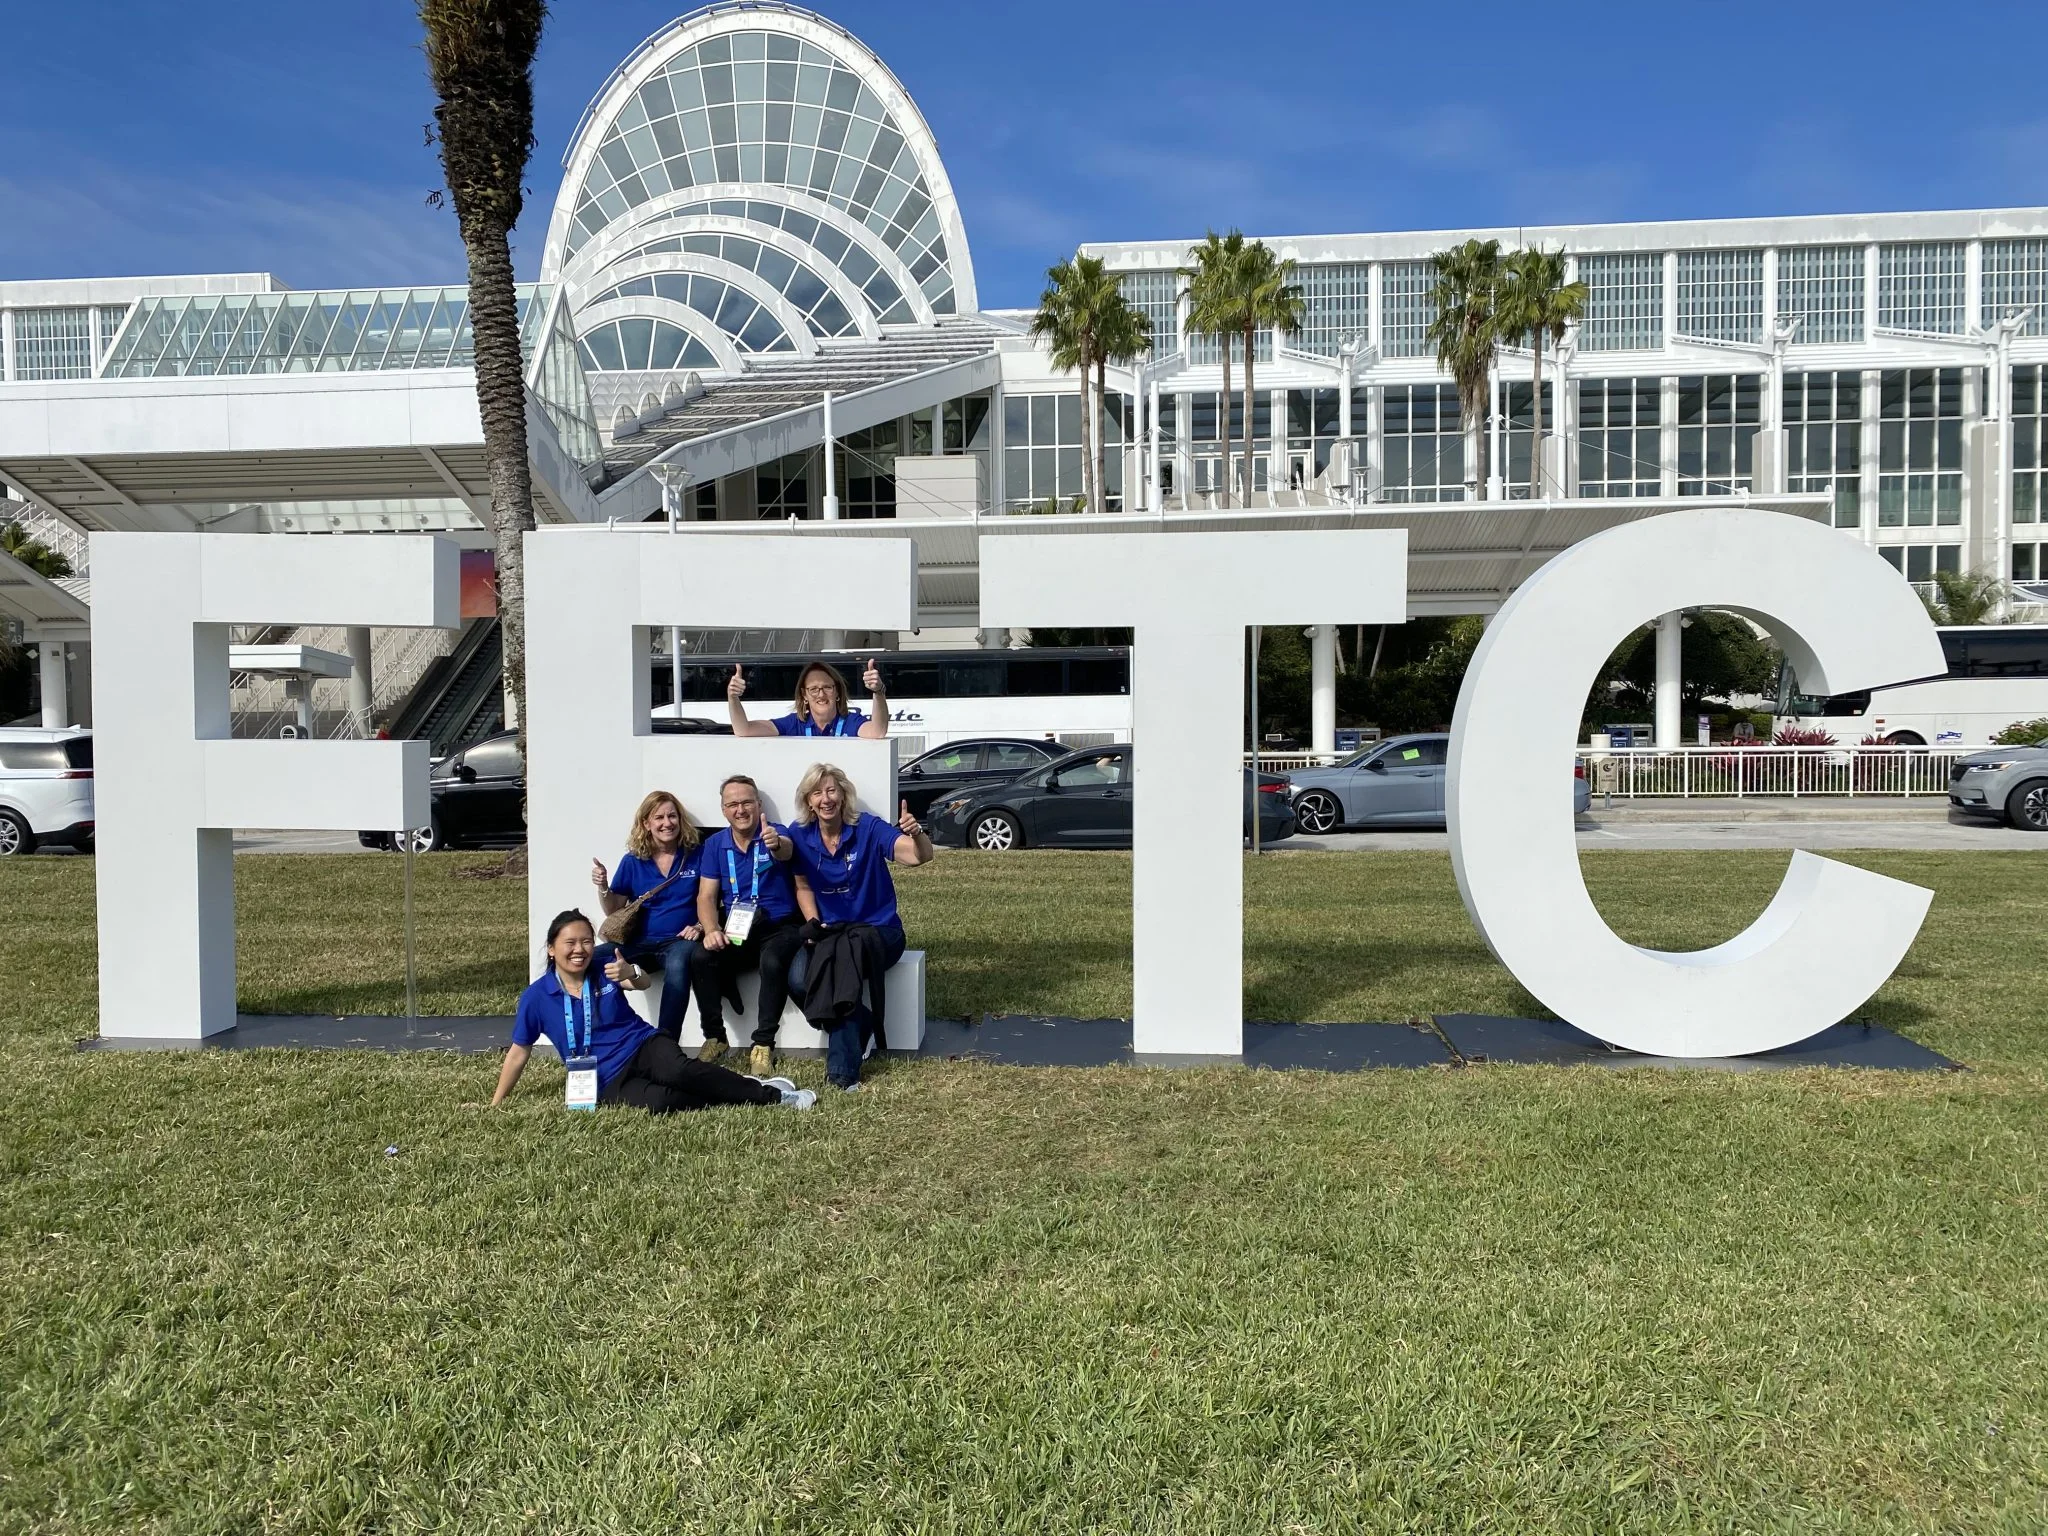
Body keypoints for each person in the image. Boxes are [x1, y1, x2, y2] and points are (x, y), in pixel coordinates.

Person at [490, 909, 814, 1113]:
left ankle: (772, 1096)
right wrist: (496, 1102)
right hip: (604, 1078)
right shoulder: (536, 997)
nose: (580, 950)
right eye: (570, 943)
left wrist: (630, 971)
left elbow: (642, 983)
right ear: (551, 948)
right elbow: (519, 1051)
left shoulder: (605, 967)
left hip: (642, 1045)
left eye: (586, 941)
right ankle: (730, 1085)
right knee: (664, 1102)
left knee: (680, 1072)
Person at [786, 761, 933, 1090]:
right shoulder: (799, 834)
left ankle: (842, 1073)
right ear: (808, 801)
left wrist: (917, 834)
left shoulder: (867, 827)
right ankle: (861, 1021)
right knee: (797, 979)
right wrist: (813, 923)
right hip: (831, 934)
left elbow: (917, 857)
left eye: (831, 790)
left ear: (843, 795)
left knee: (842, 971)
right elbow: (802, 885)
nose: (826, 798)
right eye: (817, 793)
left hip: (880, 933)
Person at [690, 774, 807, 1076]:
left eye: (746, 803)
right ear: (723, 810)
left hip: (779, 926)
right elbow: (706, 896)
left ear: (758, 805)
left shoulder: (774, 832)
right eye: (733, 805)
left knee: (772, 961)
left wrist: (775, 844)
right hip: (737, 928)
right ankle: (715, 1037)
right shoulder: (714, 845)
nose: (740, 810)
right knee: (701, 957)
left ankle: (763, 1043)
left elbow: (786, 850)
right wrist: (711, 929)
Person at [591, 790, 706, 1051]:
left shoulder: (696, 855)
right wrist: (603, 886)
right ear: (646, 823)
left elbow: (713, 898)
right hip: (639, 943)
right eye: (659, 818)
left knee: (678, 965)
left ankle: (665, 1046)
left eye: (672, 816)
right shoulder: (633, 860)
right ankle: (611, 1036)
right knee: (591, 960)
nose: (667, 823)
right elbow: (613, 909)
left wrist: (700, 926)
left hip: (678, 941)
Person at [728, 658, 890, 738]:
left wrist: (878, 692)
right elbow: (744, 730)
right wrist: (733, 697)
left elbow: (878, 732)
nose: (821, 694)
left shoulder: (851, 722)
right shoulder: (794, 724)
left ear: (837, 692)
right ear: (804, 695)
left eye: (827, 687)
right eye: (813, 689)